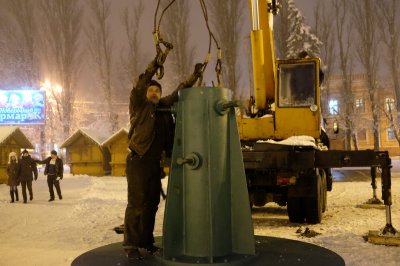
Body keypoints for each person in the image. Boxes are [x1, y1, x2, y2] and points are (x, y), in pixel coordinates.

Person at [123, 52, 203, 260]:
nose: (154, 93)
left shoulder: (163, 109)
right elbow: (138, 87)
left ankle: (146, 242)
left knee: (151, 204)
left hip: (153, 165)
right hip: (138, 161)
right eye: (151, 90)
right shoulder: (139, 106)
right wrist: (153, 66)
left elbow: (179, 92)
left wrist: (193, 77)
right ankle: (131, 245)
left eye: (157, 91)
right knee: (136, 204)